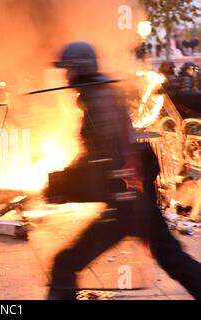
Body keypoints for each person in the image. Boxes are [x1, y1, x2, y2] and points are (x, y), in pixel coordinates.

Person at [48, 42, 201, 300]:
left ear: (81, 68)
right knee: (170, 257)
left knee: (65, 263)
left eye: (69, 69)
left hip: (127, 201)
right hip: (133, 197)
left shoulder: (99, 100)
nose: (67, 75)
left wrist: (66, 183)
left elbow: (108, 157)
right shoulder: (98, 95)